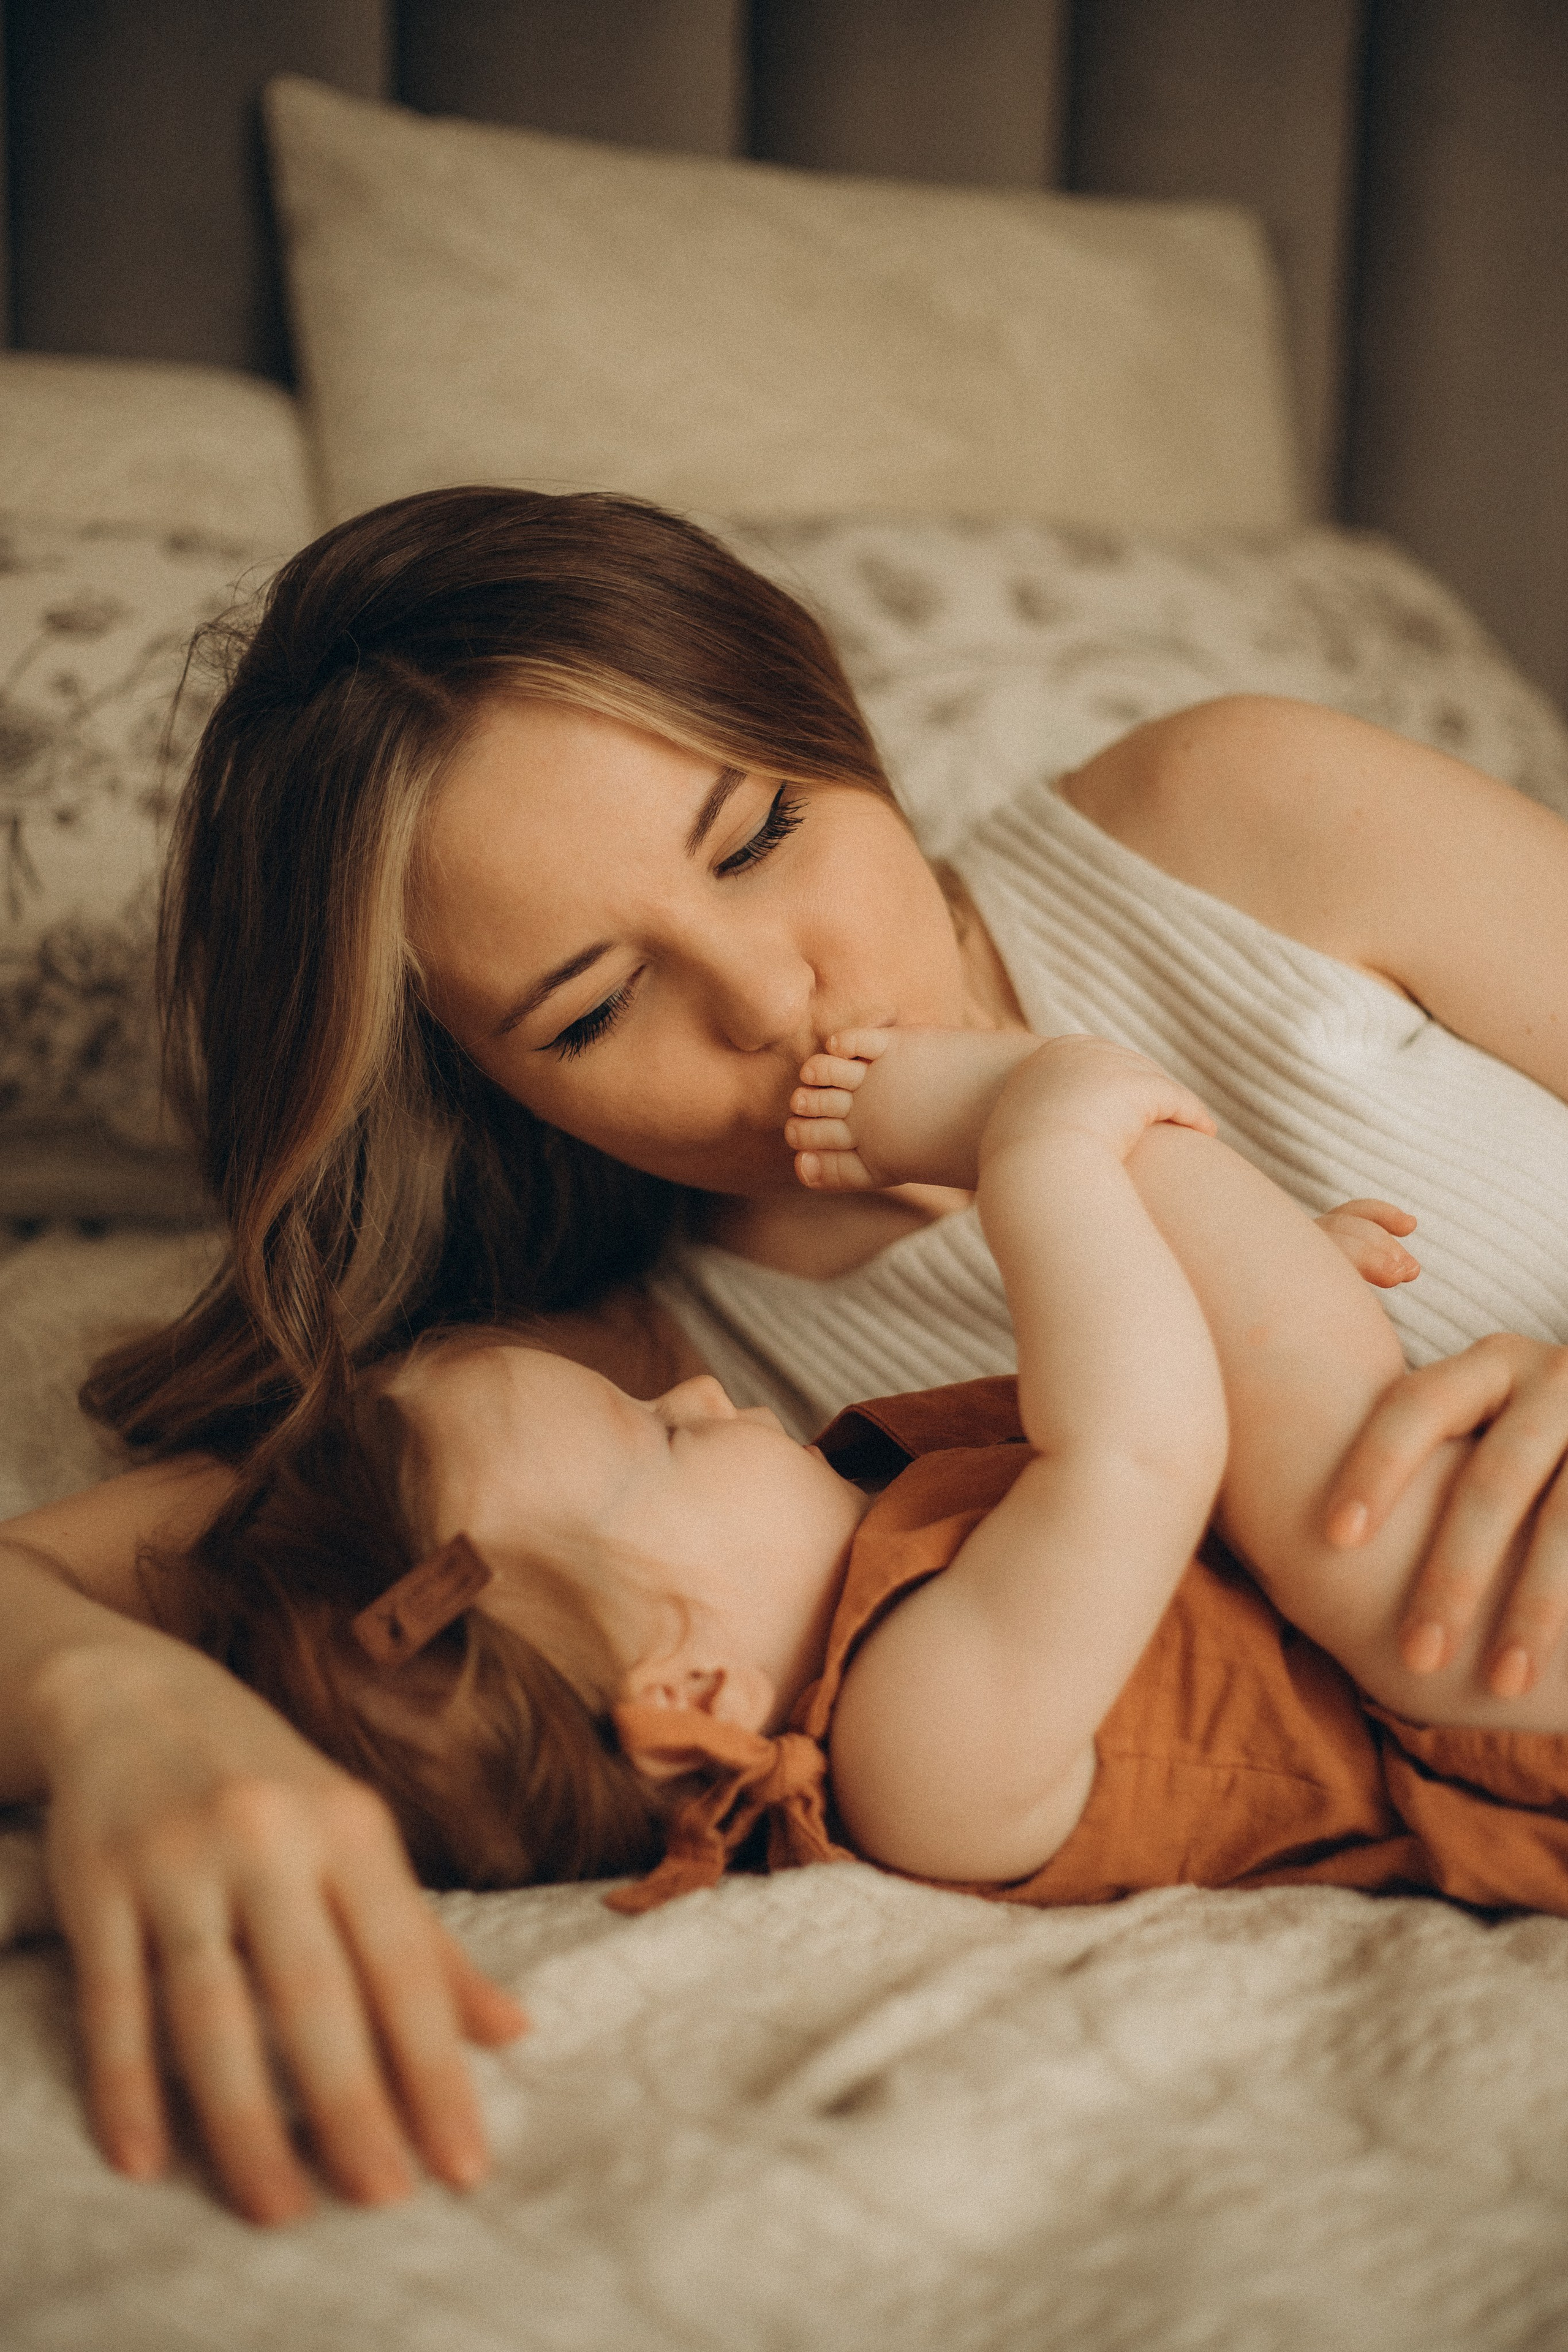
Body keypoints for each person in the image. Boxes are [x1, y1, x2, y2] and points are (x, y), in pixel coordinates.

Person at [6, 485, 1568, 2218]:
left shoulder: (1231, 813)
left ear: (823, 716)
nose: (766, 998)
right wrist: (117, 1707)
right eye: (593, 1009)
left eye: (757, 836)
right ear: (478, 1082)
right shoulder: (645, 1387)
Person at [163, 1027, 1568, 1953]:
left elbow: (1157, 1450)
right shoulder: (914, 1757)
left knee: (1344, 1488)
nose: (706, 1392)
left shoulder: (886, 1522)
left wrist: (1234, 1276)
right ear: (692, 1700)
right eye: (660, 1437)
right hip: (1469, 1701)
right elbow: (1146, 1455)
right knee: (1355, 1530)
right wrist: (1036, 1155)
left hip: (1470, 1618)